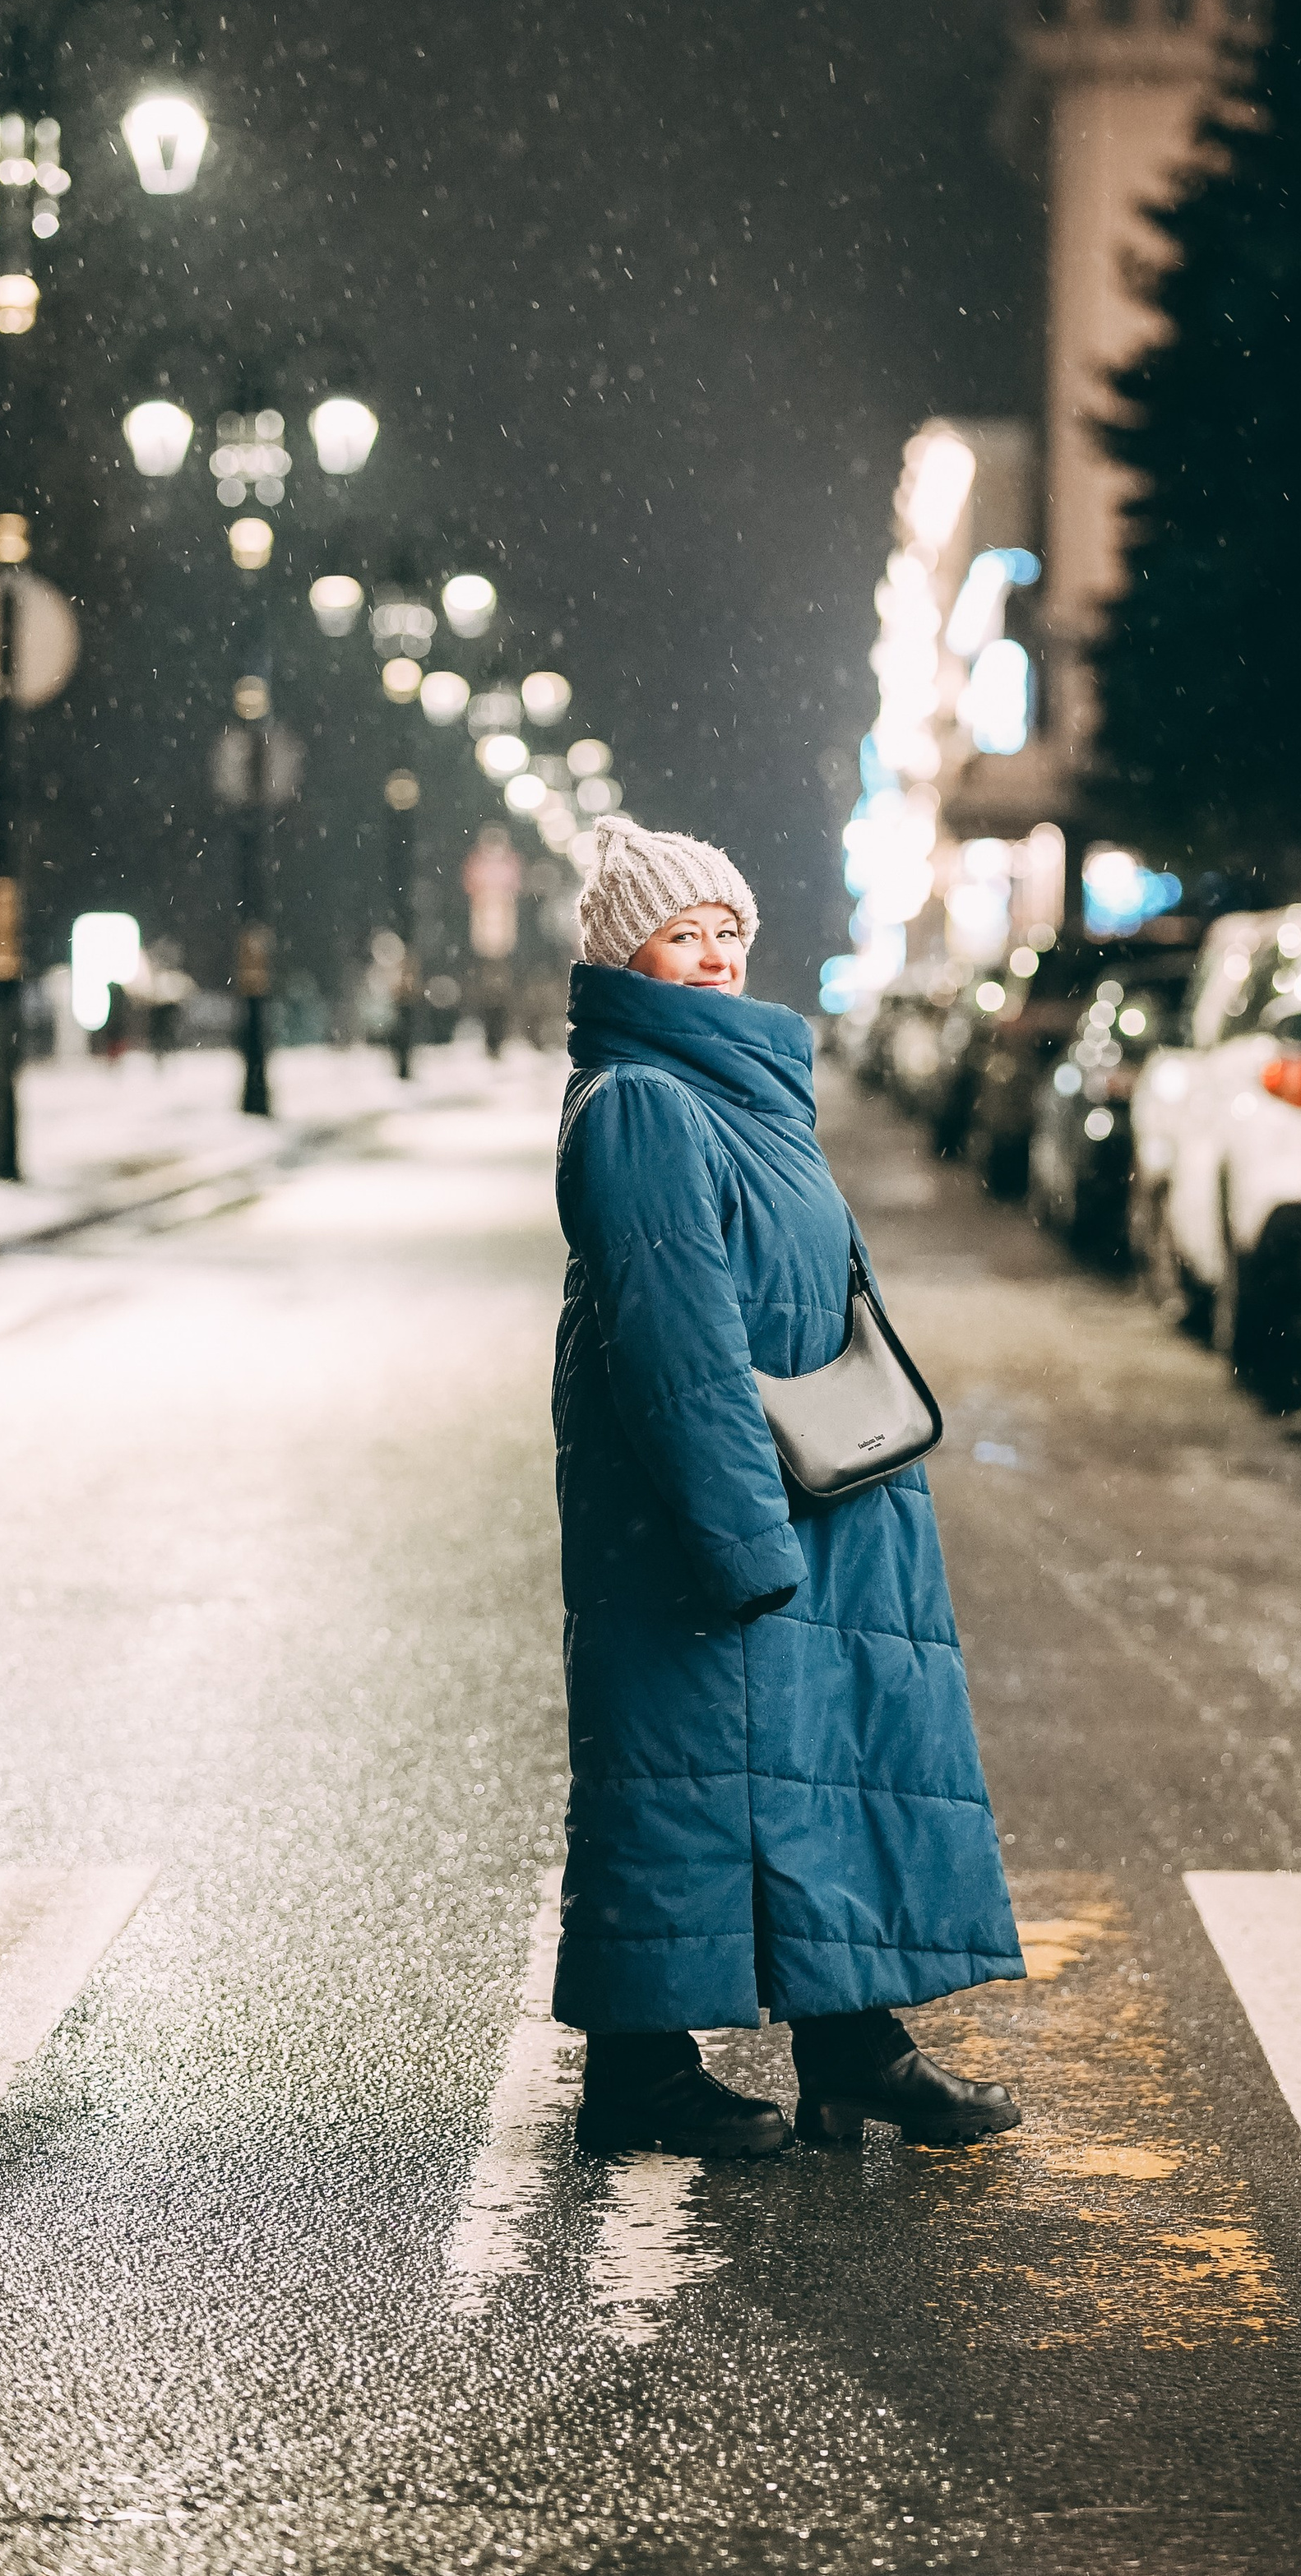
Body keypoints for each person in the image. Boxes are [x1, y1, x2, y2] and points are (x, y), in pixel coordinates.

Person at [552, 813, 1024, 2158]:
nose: (713, 956)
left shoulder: (740, 1089)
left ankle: (853, 2052)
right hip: (719, 1508)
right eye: (680, 934)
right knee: (681, 1781)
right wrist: (740, 1537)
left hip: (813, 1494)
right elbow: (678, 1348)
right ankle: (638, 2075)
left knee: (812, 1773)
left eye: (727, 932)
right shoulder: (644, 1100)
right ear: (625, 956)